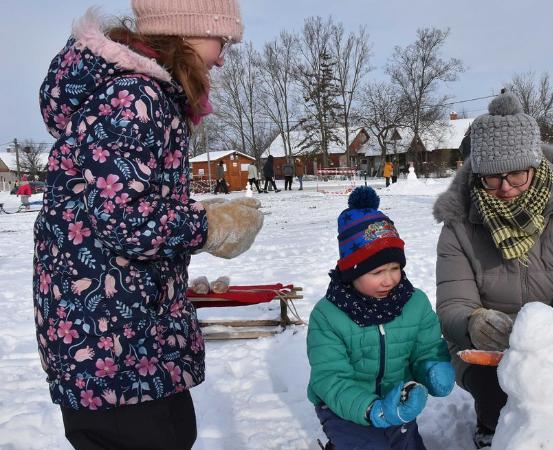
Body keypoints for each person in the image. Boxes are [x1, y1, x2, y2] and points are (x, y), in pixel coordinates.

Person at [35, 3, 264, 448]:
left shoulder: (138, 95)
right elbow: (124, 217)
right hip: (113, 348)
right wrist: (208, 226)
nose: (223, 57)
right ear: (186, 32)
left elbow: (119, 199)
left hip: (121, 338)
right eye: (222, 41)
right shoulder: (134, 97)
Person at [433, 91, 553, 449]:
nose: (505, 188)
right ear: (477, 175)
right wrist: (473, 322)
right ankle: (493, 424)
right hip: (494, 342)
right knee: (493, 384)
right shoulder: (458, 224)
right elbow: (452, 305)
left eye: (516, 175)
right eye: (491, 178)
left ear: (535, 165)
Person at [307, 186, 454, 450]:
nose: (389, 279)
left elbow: (427, 348)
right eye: (377, 272)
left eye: (395, 268)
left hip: (397, 402)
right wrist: (372, 409)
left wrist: (433, 368)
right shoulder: (328, 316)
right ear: (352, 272)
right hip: (343, 407)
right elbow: (330, 379)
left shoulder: (414, 303)